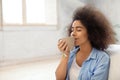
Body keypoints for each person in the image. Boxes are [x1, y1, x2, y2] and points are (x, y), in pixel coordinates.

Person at [55, 5, 117, 80]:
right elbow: (59, 78)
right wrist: (65, 55)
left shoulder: (102, 58)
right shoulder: (71, 54)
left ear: (91, 32)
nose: (73, 33)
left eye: (78, 30)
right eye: (72, 30)